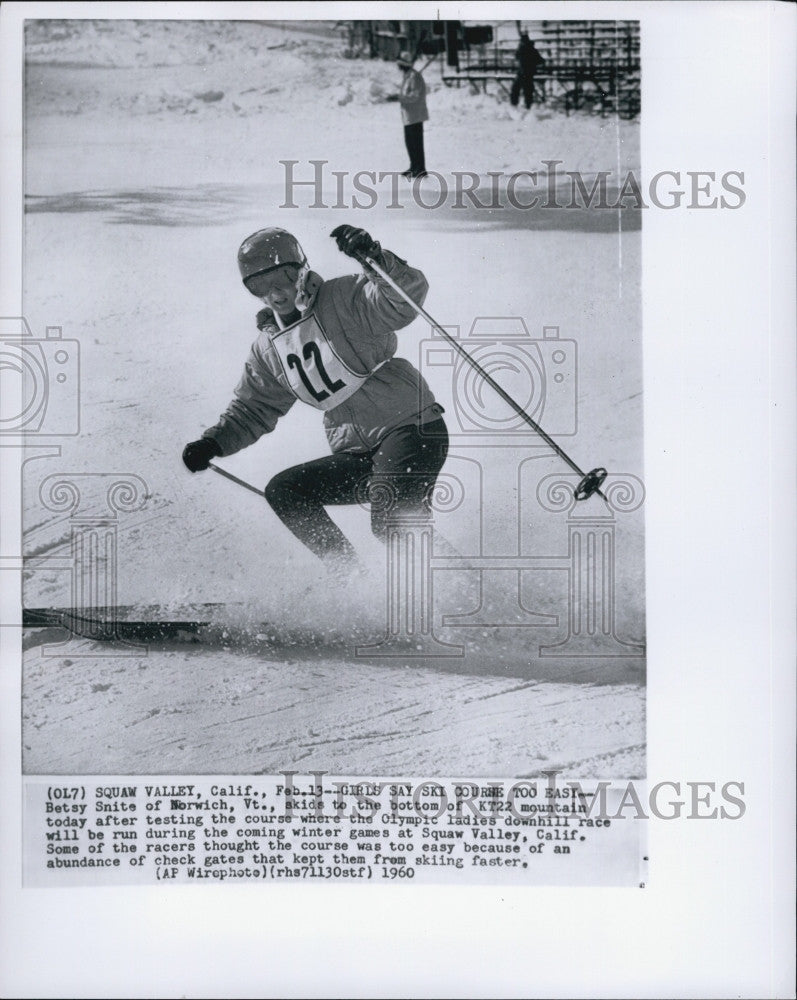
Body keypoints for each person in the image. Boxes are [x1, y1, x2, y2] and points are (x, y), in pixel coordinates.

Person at [182, 226, 448, 579]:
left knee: (392, 519)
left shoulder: (344, 297)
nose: (275, 294)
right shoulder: (271, 347)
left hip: (411, 428)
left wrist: (373, 259)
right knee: (286, 490)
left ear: (301, 270)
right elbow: (254, 407)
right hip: (357, 450)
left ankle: (454, 590)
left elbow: (403, 299)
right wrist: (213, 441)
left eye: (283, 279)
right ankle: (352, 582)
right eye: (260, 287)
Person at [386, 51, 428, 178]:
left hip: (415, 115)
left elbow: (414, 96)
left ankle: (420, 168)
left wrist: (398, 98)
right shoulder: (408, 76)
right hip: (409, 115)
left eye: (399, 64)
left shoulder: (414, 77)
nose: (397, 67)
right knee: (410, 142)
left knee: (416, 143)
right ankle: (414, 166)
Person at [510, 33, 545, 110]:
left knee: (523, 88)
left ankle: (521, 104)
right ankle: (521, 104)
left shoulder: (529, 49)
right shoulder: (527, 49)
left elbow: (540, 60)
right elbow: (541, 60)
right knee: (521, 88)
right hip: (525, 72)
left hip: (527, 72)